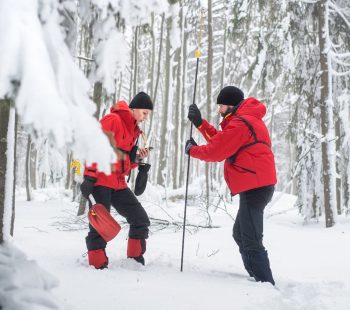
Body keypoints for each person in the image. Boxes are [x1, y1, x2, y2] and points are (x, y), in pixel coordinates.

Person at [186, 86, 277, 285]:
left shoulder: (241, 123)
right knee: (240, 234)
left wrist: (192, 150)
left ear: (232, 105)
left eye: (221, 106)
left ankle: (265, 283)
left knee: (251, 239)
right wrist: (200, 124)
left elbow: (216, 151)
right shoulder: (244, 120)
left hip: (256, 186)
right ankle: (257, 276)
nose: (219, 110)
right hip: (256, 184)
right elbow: (222, 141)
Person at [80, 92, 153, 269]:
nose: (145, 118)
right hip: (101, 181)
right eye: (144, 113)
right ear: (133, 109)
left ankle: (135, 260)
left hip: (118, 183)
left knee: (140, 219)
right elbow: (94, 146)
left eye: (148, 114)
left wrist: (136, 159)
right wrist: (89, 176)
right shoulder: (113, 120)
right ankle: (97, 265)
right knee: (100, 225)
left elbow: (122, 160)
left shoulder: (134, 130)